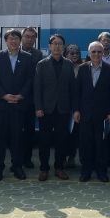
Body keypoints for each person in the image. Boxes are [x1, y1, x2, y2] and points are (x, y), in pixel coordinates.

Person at [0, 29, 35, 181]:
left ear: (20, 41)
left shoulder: (27, 57)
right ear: (6, 41)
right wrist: (4, 95)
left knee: (17, 137)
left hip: (19, 104)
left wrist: (21, 95)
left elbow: (30, 79)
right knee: (0, 138)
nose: (13, 41)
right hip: (2, 105)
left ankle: (17, 166)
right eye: (10, 38)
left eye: (16, 38)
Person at [34, 34, 77, 181]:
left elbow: (72, 88)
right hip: (46, 109)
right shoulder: (42, 64)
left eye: (60, 44)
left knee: (61, 140)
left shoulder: (69, 64)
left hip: (63, 109)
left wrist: (74, 108)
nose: (57, 46)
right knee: (44, 141)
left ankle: (59, 168)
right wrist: (38, 107)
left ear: (63, 47)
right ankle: (44, 168)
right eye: (54, 43)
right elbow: (37, 88)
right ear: (50, 46)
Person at [74, 41, 110, 182]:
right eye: (93, 52)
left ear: (103, 53)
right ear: (89, 53)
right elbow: (77, 92)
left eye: (99, 51)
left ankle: (101, 172)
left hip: (103, 115)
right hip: (85, 114)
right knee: (85, 144)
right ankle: (86, 171)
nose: (96, 54)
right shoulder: (82, 69)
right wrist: (76, 110)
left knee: (101, 145)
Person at [21, 27, 43, 169]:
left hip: (30, 99)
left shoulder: (38, 54)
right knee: (16, 131)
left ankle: (27, 159)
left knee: (29, 131)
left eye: (32, 37)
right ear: (22, 38)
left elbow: (37, 78)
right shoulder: (14, 51)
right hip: (15, 99)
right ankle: (16, 160)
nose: (29, 39)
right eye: (27, 36)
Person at [63, 43, 83, 168]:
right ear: (66, 54)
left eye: (77, 53)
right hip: (65, 106)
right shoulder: (63, 66)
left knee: (76, 133)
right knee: (64, 133)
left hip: (79, 107)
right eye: (71, 53)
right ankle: (63, 157)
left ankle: (72, 157)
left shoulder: (83, 67)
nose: (75, 55)